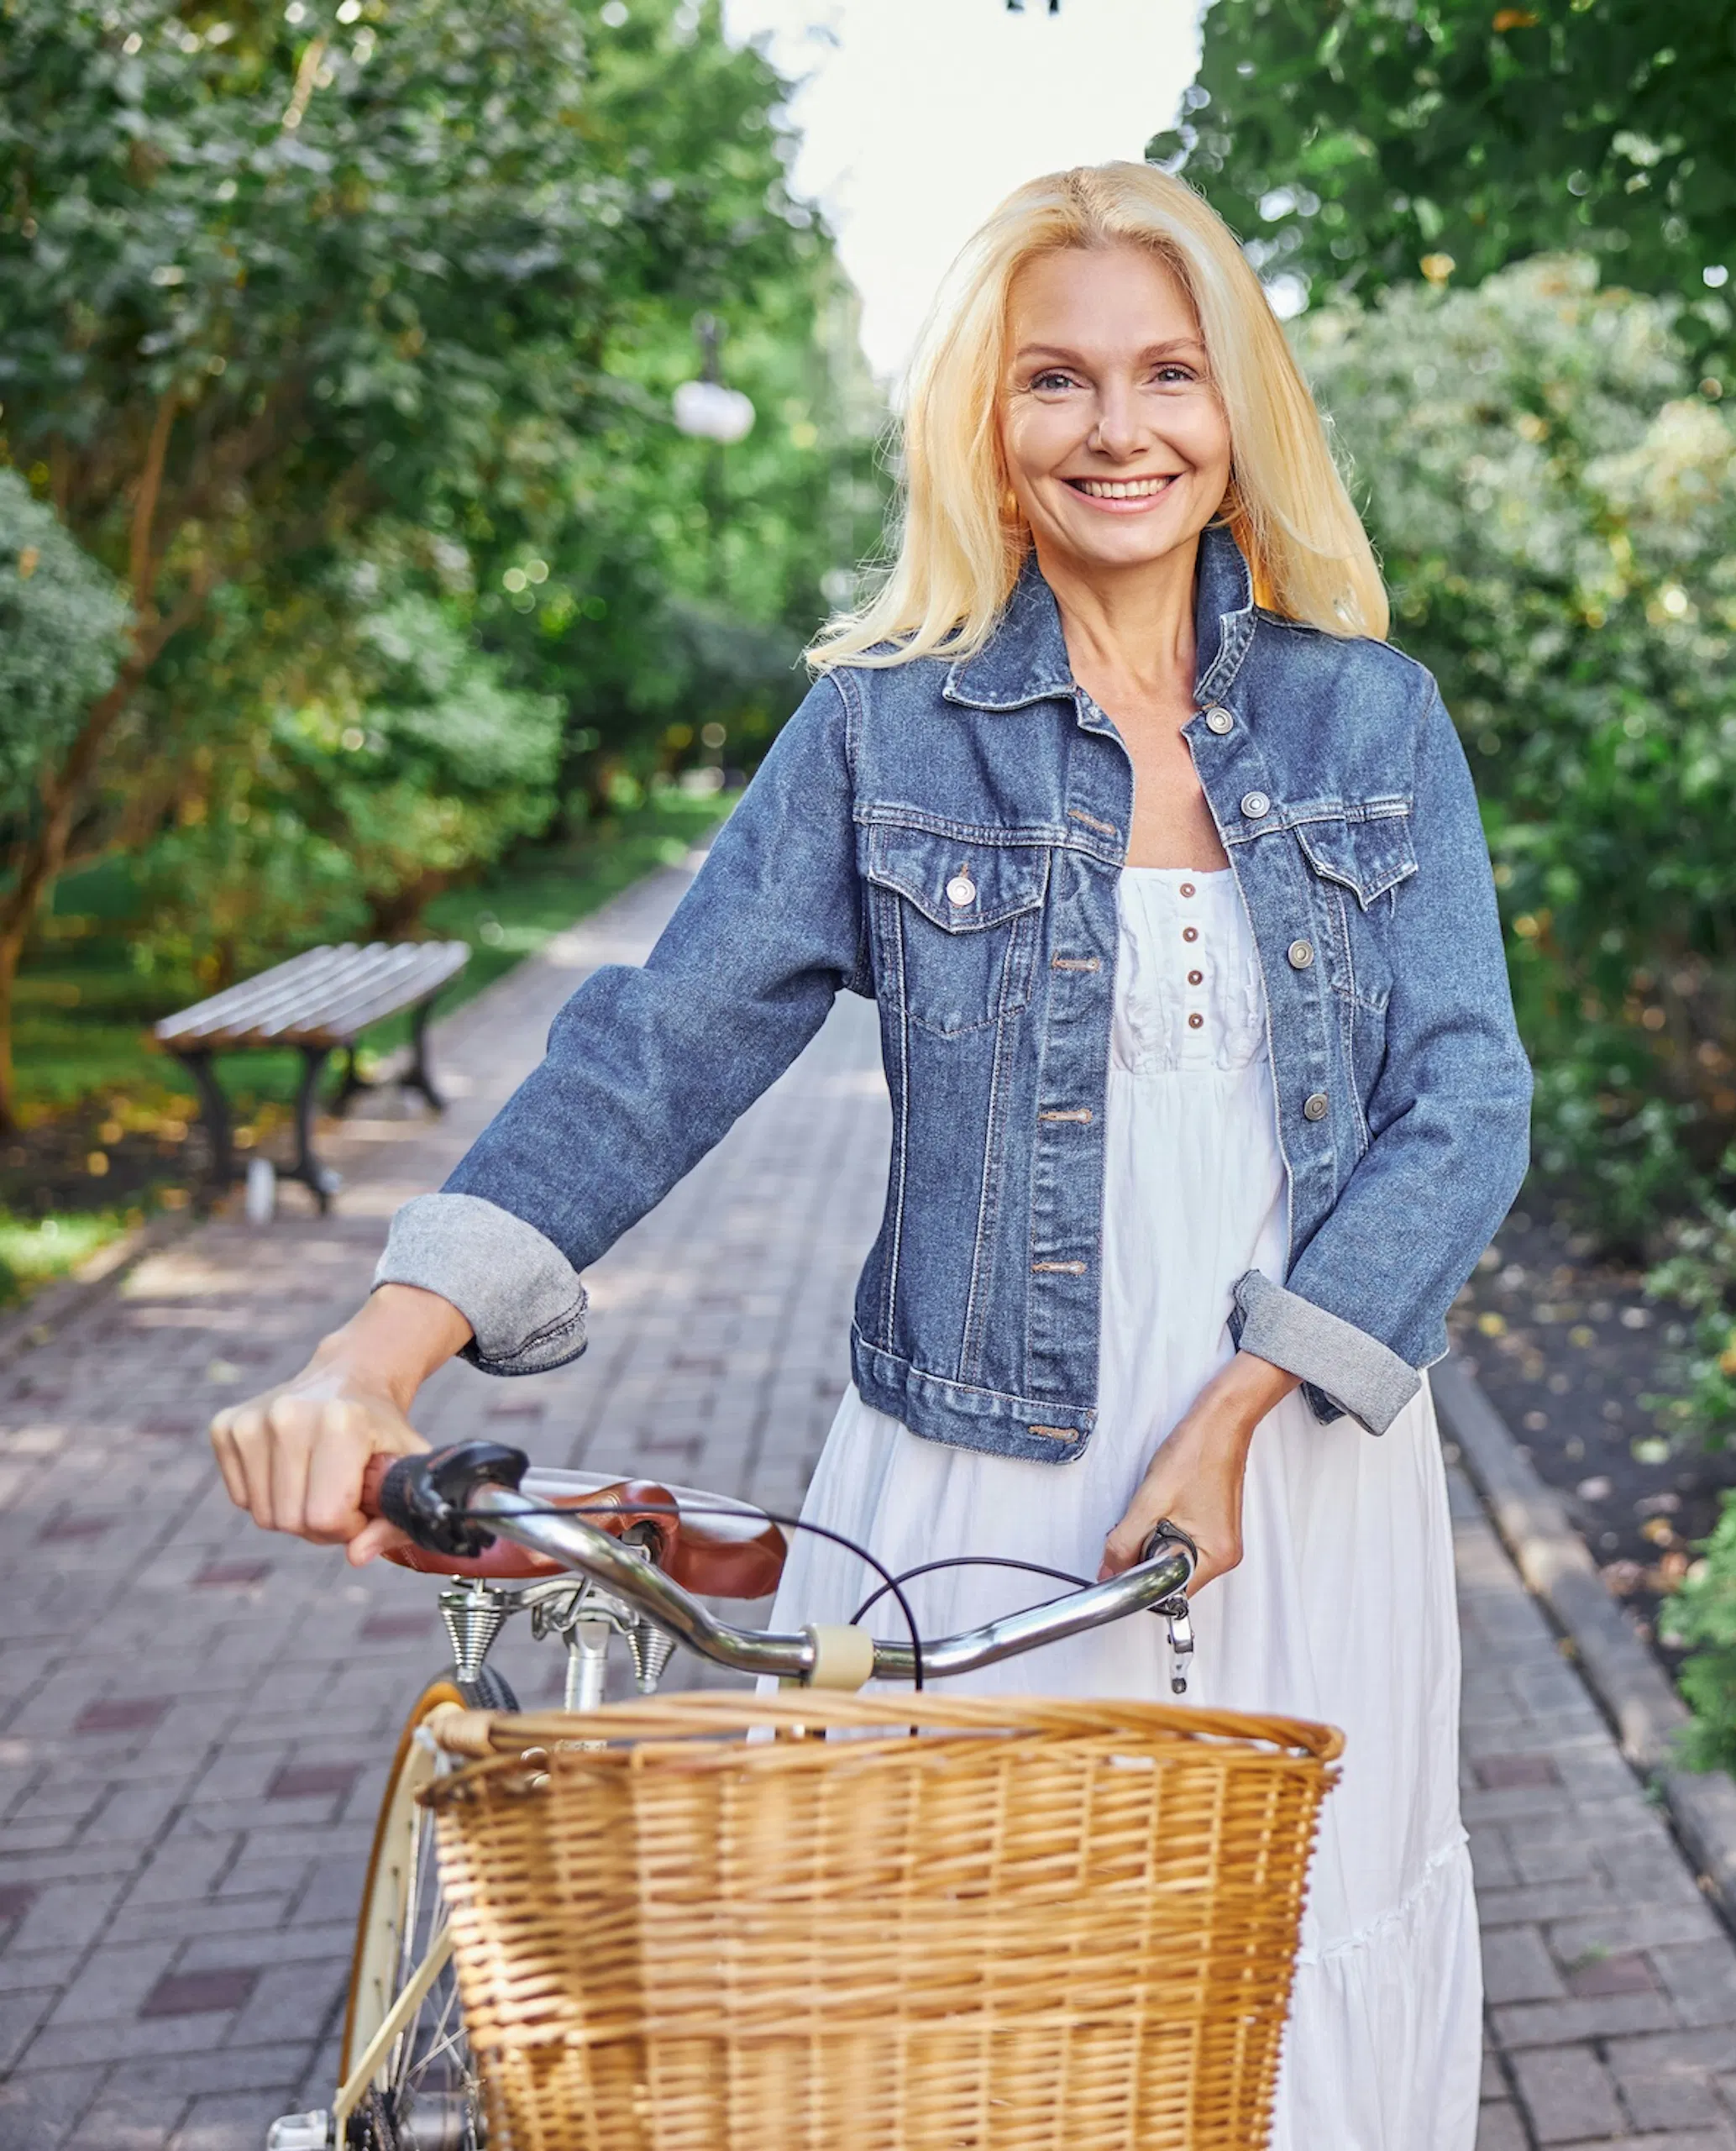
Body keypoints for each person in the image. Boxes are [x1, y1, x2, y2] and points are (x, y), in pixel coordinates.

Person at [204, 161, 1529, 2149]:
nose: (1118, 428)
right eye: (1055, 380)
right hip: (977, 1481)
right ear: (985, 428)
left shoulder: (1373, 719)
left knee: (1280, 2002)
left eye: (1169, 372)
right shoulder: (880, 735)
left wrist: (1246, 1402)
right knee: (945, 2025)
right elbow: (650, 1053)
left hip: (1296, 1473)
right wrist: (373, 1357)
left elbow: (1468, 1100)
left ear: (1238, 405)